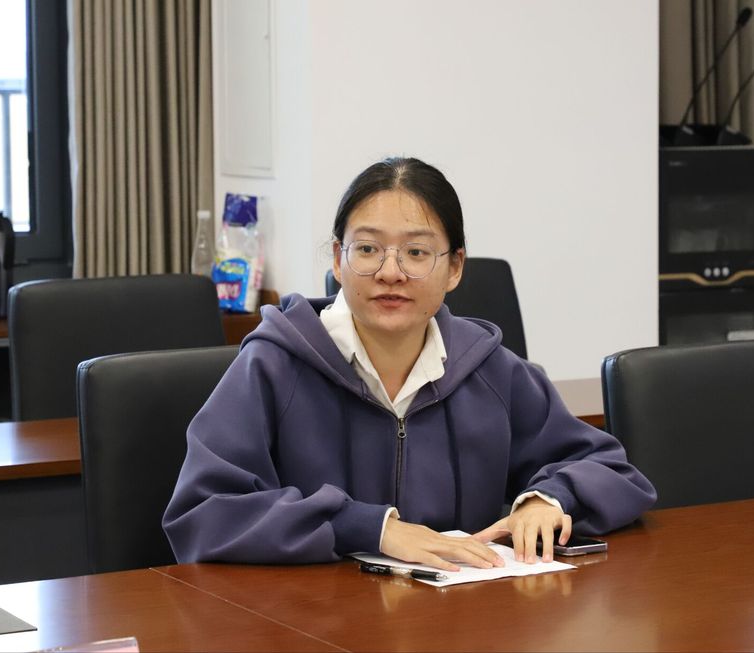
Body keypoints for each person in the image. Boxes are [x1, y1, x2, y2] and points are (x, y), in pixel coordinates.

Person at [163, 156, 656, 572]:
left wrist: (547, 500)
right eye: (367, 249)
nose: (390, 272)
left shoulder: (490, 369)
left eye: (416, 252)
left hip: (461, 624)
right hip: (314, 623)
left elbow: (610, 469)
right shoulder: (273, 365)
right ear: (337, 260)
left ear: (455, 267)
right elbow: (203, 514)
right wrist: (371, 529)